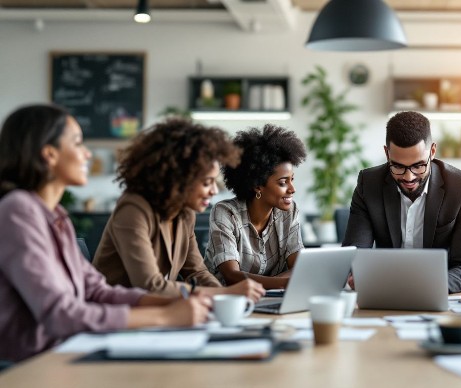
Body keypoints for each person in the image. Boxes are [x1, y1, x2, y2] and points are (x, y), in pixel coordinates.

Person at [0, 104, 213, 362]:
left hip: (67, 353)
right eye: (78, 144)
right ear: (49, 154)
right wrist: (165, 316)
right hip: (27, 367)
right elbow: (61, 315)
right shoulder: (18, 210)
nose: (87, 154)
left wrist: (170, 302)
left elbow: (98, 292)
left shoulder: (57, 215)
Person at [92, 119, 264, 301]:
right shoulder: (133, 210)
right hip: (117, 315)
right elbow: (151, 286)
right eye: (207, 182)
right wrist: (226, 292)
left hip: (160, 315)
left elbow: (197, 272)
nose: (214, 191)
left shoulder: (184, 214)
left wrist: (229, 300)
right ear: (179, 179)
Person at [342, 111, 461, 292]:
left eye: (418, 165)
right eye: (398, 166)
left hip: (437, 293)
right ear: (387, 153)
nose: (409, 177)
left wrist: (416, 286)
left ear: (432, 151)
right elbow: (353, 256)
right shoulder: (369, 184)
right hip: (384, 293)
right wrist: (358, 275)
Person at [204, 124, 307, 289]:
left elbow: (300, 266)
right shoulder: (225, 213)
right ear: (258, 185)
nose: (292, 189)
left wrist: (279, 284)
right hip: (227, 301)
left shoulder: (289, 212)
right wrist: (283, 282)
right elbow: (232, 276)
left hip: (272, 300)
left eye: (291, 179)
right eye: (283, 182)